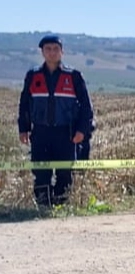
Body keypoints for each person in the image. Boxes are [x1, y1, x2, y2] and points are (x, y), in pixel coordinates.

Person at [17, 35, 94, 207]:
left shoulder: (73, 76)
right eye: (48, 49)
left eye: (55, 49)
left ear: (62, 52)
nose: (52, 53)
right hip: (40, 133)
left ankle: (60, 207)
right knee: (41, 172)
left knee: (65, 173)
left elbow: (86, 107)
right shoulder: (33, 75)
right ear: (42, 52)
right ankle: (43, 206)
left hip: (66, 133)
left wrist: (82, 131)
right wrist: (23, 128)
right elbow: (24, 104)